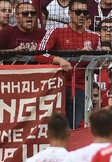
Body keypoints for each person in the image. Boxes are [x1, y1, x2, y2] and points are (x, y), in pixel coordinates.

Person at [36, 0, 99, 129]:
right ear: (69, 13)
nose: (82, 15)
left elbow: (98, 68)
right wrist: (59, 60)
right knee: (54, 127)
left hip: (81, 89)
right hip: (57, 86)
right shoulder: (56, 32)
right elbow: (39, 53)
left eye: (85, 13)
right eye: (78, 12)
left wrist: (94, 57)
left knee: (75, 128)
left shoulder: (94, 37)